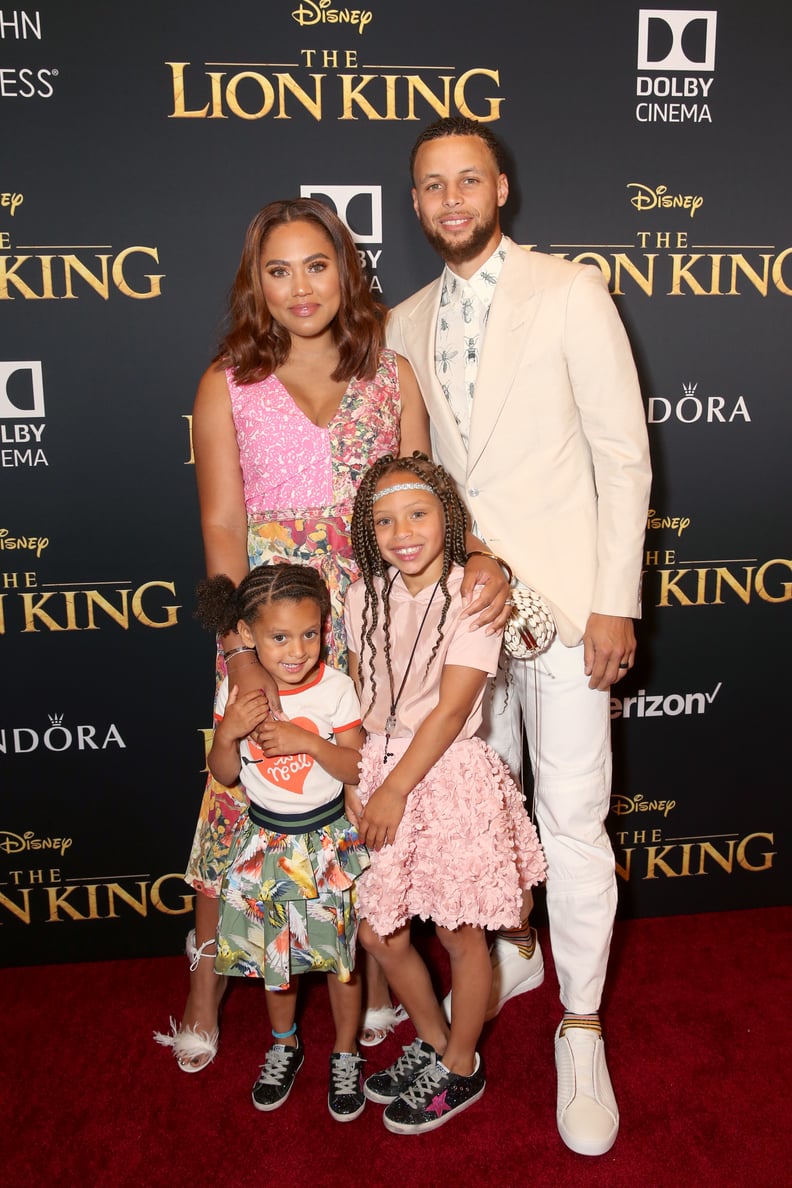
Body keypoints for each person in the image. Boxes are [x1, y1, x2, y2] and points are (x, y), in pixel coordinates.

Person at [155, 197, 508, 1071]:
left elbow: (428, 502)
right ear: (256, 284)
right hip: (270, 625)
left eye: (317, 265)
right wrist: (240, 656)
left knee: (360, 791)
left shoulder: (391, 374)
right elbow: (224, 534)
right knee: (238, 798)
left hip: (373, 622)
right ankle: (205, 983)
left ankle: (374, 981)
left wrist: (484, 559)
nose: (300, 287)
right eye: (278, 270)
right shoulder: (225, 381)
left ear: (346, 270)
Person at [386, 118, 652, 1155]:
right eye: (430, 186)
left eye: (467, 180)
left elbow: (621, 458)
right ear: (415, 205)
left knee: (575, 818)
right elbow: (422, 486)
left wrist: (614, 600)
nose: (450, 199)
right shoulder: (404, 324)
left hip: (571, 603)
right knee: (479, 817)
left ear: (501, 187)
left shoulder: (570, 291)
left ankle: (579, 1030)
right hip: (470, 617)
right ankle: (515, 950)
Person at [343, 453, 547, 1134]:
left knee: (461, 934)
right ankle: (435, 1042)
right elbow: (358, 696)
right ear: (368, 532)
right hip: (383, 775)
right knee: (379, 931)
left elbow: (452, 711)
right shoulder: (359, 595)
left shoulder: (473, 595)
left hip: (445, 776)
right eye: (384, 520)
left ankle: (462, 1065)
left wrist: (396, 787)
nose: (402, 531)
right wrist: (360, 776)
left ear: (449, 519)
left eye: (418, 513)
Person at [195, 563, 369, 1120]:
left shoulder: (337, 687)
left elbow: (356, 765)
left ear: (325, 628)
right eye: (278, 637)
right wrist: (228, 733)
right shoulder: (236, 688)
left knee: (341, 961)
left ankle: (344, 1052)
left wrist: (303, 739)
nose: (297, 650)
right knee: (280, 963)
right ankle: (285, 1043)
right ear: (247, 636)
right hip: (266, 847)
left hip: (328, 845)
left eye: (310, 633)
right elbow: (223, 772)